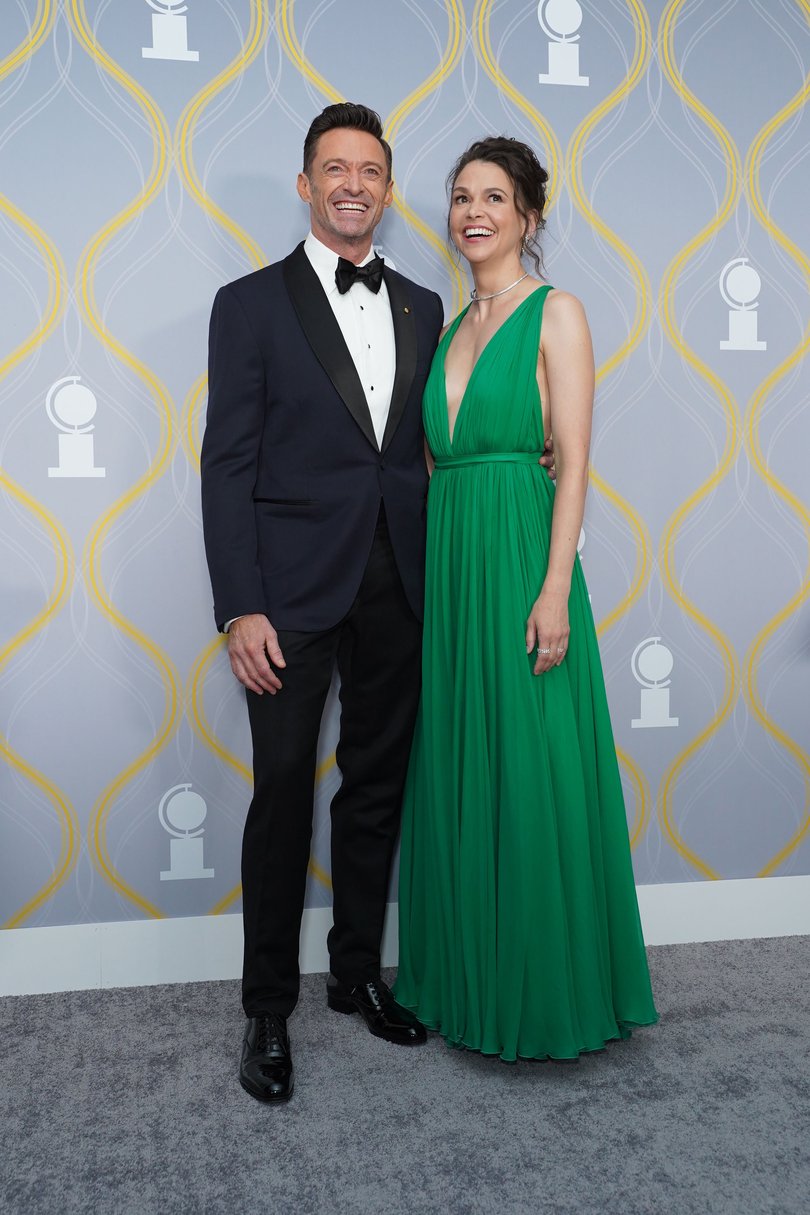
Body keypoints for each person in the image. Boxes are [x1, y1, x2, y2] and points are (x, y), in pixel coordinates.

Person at [394, 137, 659, 1062]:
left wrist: (554, 587)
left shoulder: (559, 315)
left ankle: (547, 988)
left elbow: (576, 462)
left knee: (530, 764)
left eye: (494, 197)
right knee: (466, 758)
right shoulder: (444, 327)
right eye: (461, 196)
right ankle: (465, 979)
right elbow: (432, 458)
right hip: (453, 559)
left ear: (529, 217)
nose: (473, 211)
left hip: (519, 559)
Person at [200, 103, 444, 1103]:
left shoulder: (427, 305)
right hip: (289, 590)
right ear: (306, 185)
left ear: (387, 190)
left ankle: (355, 976)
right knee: (284, 794)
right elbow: (227, 465)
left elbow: (434, 439)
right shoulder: (248, 303)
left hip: (400, 579)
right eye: (335, 168)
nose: (354, 183)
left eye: (371, 170)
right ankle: (268, 1008)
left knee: (377, 787)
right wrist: (239, 605)